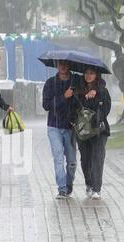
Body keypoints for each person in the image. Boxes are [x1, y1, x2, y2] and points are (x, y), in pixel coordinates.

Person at [43, 60, 99, 199]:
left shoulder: (76, 80)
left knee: (72, 162)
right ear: (57, 65)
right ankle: (62, 189)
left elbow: (96, 81)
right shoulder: (50, 83)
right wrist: (64, 97)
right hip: (54, 126)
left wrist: (94, 89)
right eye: (60, 64)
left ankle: (68, 184)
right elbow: (46, 105)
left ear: (70, 66)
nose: (62, 66)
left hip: (71, 127)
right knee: (58, 159)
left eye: (65, 64)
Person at [74, 67, 111, 200]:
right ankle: (89, 183)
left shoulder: (102, 91)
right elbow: (73, 108)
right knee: (85, 159)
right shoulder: (78, 90)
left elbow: (106, 109)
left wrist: (97, 92)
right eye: (86, 73)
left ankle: (97, 188)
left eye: (92, 73)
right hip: (83, 131)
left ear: (97, 75)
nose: (89, 76)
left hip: (99, 130)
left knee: (97, 158)